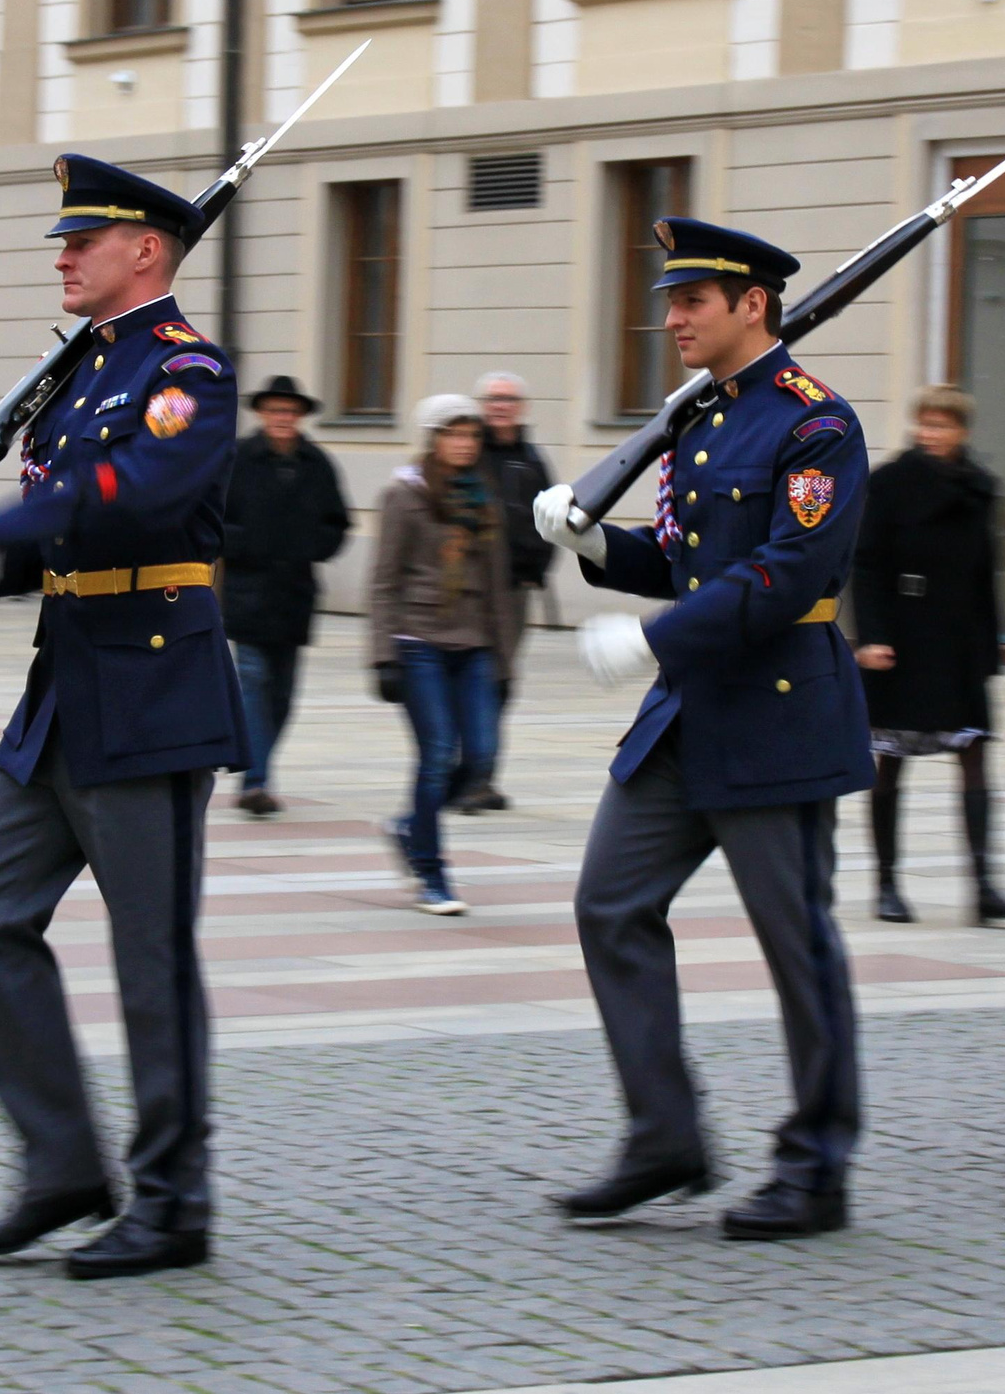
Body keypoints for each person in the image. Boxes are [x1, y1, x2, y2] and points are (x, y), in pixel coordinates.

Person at [0, 154, 247, 1282]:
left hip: (151, 688)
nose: (64, 257)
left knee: (150, 956)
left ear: (146, 248)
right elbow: (54, 524)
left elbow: (137, 494)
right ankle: (62, 1166)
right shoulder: (81, 370)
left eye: (82, 241)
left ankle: (173, 1202)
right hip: (64, 682)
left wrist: (0, 531)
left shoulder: (187, 370)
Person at [533, 217, 873, 1242]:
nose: (671, 318)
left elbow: (786, 574)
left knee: (795, 942)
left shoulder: (818, 425)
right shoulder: (702, 418)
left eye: (691, 301)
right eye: (670, 301)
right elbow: (685, 553)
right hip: (688, 712)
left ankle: (816, 1165)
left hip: (777, 710)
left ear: (751, 305)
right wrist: (599, 544)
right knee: (610, 902)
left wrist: (655, 638)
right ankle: (664, 1135)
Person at [849, 384, 1005, 926]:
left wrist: (989, 651)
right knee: (892, 762)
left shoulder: (979, 487)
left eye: (942, 425)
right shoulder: (889, 483)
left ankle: (984, 886)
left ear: (962, 431)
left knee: (975, 756)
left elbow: (985, 572)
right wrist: (871, 637)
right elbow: (866, 564)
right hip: (902, 638)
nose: (931, 434)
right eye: (925, 423)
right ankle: (887, 885)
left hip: (958, 643)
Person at [369, 394, 520, 916]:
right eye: (454, 434)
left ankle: (411, 826)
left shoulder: (483, 499)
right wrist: (383, 657)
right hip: (419, 641)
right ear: (433, 439)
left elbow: (498, 585)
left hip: (474, 642)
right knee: (437, 756)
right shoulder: (404, 494)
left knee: (479, 757)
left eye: (472, 435)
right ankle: (429, 872)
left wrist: (504, 661)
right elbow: (384, 581)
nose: (465, 444)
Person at [220, 375, 350, 817]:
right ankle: (256, 781)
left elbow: (337, 522)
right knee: (254, 682)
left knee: (282, 696)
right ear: (261, 414)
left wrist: (312, 546)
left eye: (290, 411)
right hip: (247, 591)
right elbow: (211, 516)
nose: (283, 418)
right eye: (275, 410)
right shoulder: (238, 458)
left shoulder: (316, 463)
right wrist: (244, 543)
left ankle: (255, 766)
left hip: (295, 593)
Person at [468, 371, 553, 813]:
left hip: (515, 588)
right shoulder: (468, 452)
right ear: (482, 406)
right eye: (493, 399)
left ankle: (481, 776)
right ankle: (471, 776)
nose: (500, 407)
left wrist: (537, 567)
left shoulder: (531, 459)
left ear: (521, 409)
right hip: (470, 589)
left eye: (508, 400)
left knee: (499, 680)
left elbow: (552, 517)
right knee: (473, 677)